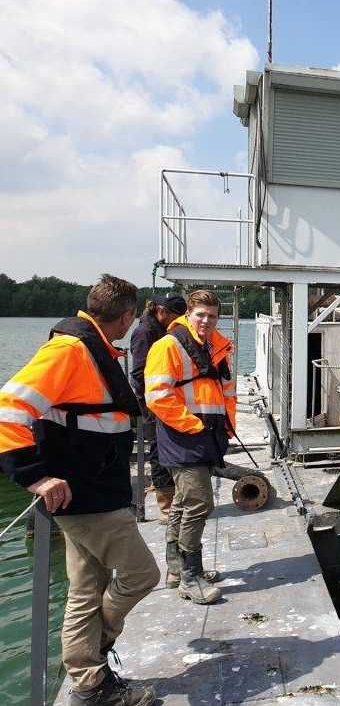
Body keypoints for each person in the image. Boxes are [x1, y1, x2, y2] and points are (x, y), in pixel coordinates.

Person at [0, 275, 160, 706]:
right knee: (143, 574)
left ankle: (89, 684)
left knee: (85, 589)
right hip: (88, 498)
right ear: (126, 316)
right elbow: (8, 408)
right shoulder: (70, 350)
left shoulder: (93, 348)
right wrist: (33, 475)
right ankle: (95, 654)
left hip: (90, 491)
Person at [145, 289, 236, 605]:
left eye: (212, 316)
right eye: (201, 315)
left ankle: (176, 570)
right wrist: (192, 426)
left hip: (206, 435)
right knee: (199, 503)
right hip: (182, 435)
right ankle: (190, 577)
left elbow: (226, 391)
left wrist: (227, 427)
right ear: (188, 314)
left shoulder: (216, 347)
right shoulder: (168, 346)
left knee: (184, 503)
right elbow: (157, 397)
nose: (206, 321)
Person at [129, 293, 186, 529]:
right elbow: (139, 374)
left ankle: (174, 500)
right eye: (175, 316)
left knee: (168, 448)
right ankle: (166, 507)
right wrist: (153, 403)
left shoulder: (157, 329)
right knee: (158, 452)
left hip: (166, 401)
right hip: (155, 405)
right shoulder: (145, 333)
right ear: (161, 311)